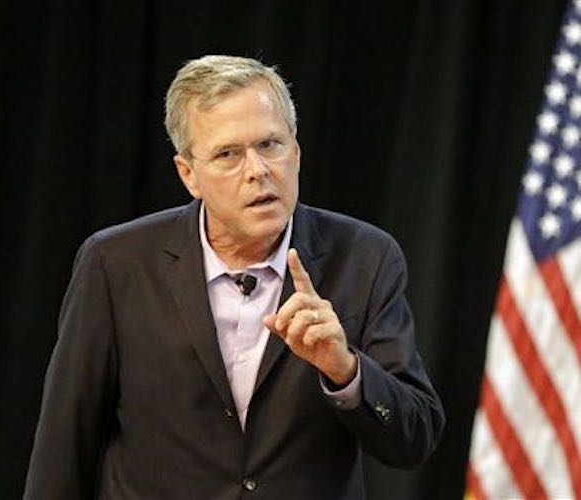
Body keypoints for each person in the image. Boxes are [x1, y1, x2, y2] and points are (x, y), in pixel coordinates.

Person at [24, 55, 445, 499]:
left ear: (296, 153)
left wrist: (345, 370)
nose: (258, 170)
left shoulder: (364, 257)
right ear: (189, 175)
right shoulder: (116, 264)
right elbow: (63, 445)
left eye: (270, 144)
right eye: (228, 154)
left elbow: (415, 438)